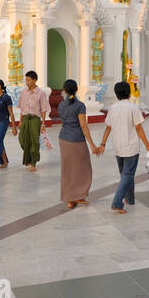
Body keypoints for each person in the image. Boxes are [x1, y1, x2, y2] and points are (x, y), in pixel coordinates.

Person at [94, 80, 149, 214]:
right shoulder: (133, 108)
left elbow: (108, 128)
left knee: (125, 175)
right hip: (131, 147)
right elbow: (138, 128)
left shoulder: (113, 108)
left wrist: (102, 144)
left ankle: (130, 199)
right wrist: (147, 145)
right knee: (127, 175)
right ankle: (117, 202)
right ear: (129, 92)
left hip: (118, 147)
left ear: (116, 94)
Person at [56, 79, 97, 209]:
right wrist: (92, 145)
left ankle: (71, 199)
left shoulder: (61, 104)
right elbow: (83, 125)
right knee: (83, 168)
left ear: (64, 90)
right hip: (76, 139)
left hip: (64, 138)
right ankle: (77, 195)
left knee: (68, 169)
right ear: (77, 89)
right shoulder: (80, 105)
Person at [18, 70, 49, 172]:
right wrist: (20, 121)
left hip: (35, 119)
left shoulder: (41, 93)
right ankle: (29, 157)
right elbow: (22, 108)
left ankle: (33, 162)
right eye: (26, 80)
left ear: (35, 80)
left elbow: (44, 109)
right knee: (22, 139)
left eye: (29, 80)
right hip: (25, 118)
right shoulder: (23, 92)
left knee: (34, 141)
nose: (27, 82)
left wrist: (43, 123)